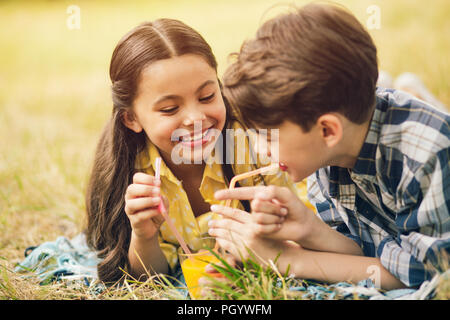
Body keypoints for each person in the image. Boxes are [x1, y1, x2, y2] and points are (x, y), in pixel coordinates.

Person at [207, 2, 450, 290]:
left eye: (268, 136)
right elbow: (366, 254)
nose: (261, 150)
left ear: (327, 129)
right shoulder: (322, 154)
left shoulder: (426, 155)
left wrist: (285, 259)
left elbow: (425, 280)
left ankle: (415, 93)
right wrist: (309, 229)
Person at [84, 18, 307, 284]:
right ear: (131, 119)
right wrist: (144, 236)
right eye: (169, 109)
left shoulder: (255, 146)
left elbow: (306, 237)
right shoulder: (133, 175)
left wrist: (267, 242)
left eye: (207, 97)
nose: (195, 118)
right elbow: (148, 280)